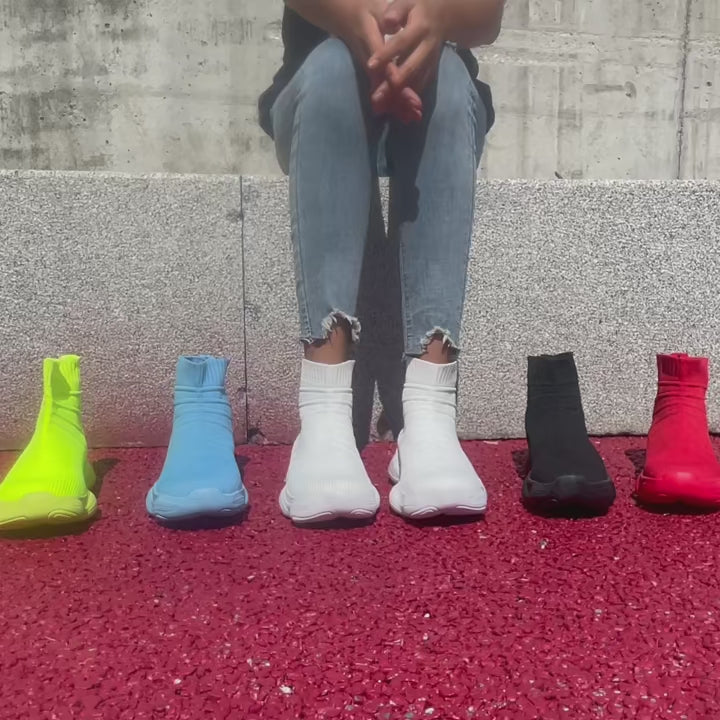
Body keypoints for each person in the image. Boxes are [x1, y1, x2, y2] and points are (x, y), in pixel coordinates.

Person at [258, 0, 504, 523]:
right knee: (333, 63)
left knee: (448, 71)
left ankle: (430, 416)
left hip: (435, 104)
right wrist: (362, 32)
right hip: (318, 102)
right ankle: (323, 415)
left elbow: (487, 16)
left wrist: (439, 20)